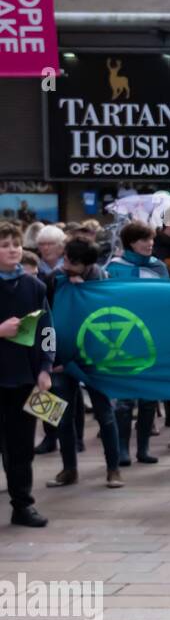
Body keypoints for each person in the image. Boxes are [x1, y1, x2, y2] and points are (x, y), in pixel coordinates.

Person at [44, 238, 125, 490]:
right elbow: (45, 318)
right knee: (61, 417)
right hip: (61, 358)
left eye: (72, 262)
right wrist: (48, 359)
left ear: (87, 264)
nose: (65, 264)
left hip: (95, 359)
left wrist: (84, 294)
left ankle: (113, 469)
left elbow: (111, 318)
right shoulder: (55, 279)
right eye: (65, 258)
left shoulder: (103, 278)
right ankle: (69, 469)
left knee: (105, 414)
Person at [0, 221, 54, 527]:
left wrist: (45, 368)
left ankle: (23, 505)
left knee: (22, 447)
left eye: (16, 244)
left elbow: (47, 331)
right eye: (5, 244)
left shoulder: (35, 286)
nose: (12, 250)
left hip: (24, 379)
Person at [106, 220, 169, 466]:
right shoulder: (114, 267)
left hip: (152, 337)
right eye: (144, 240)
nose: (150, 243)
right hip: (124, 338)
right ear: (131, 242)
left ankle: (143, 448)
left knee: (148, 398)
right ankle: (122, 449)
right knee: (124, 399)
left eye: (151, 239)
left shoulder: (159, 267)